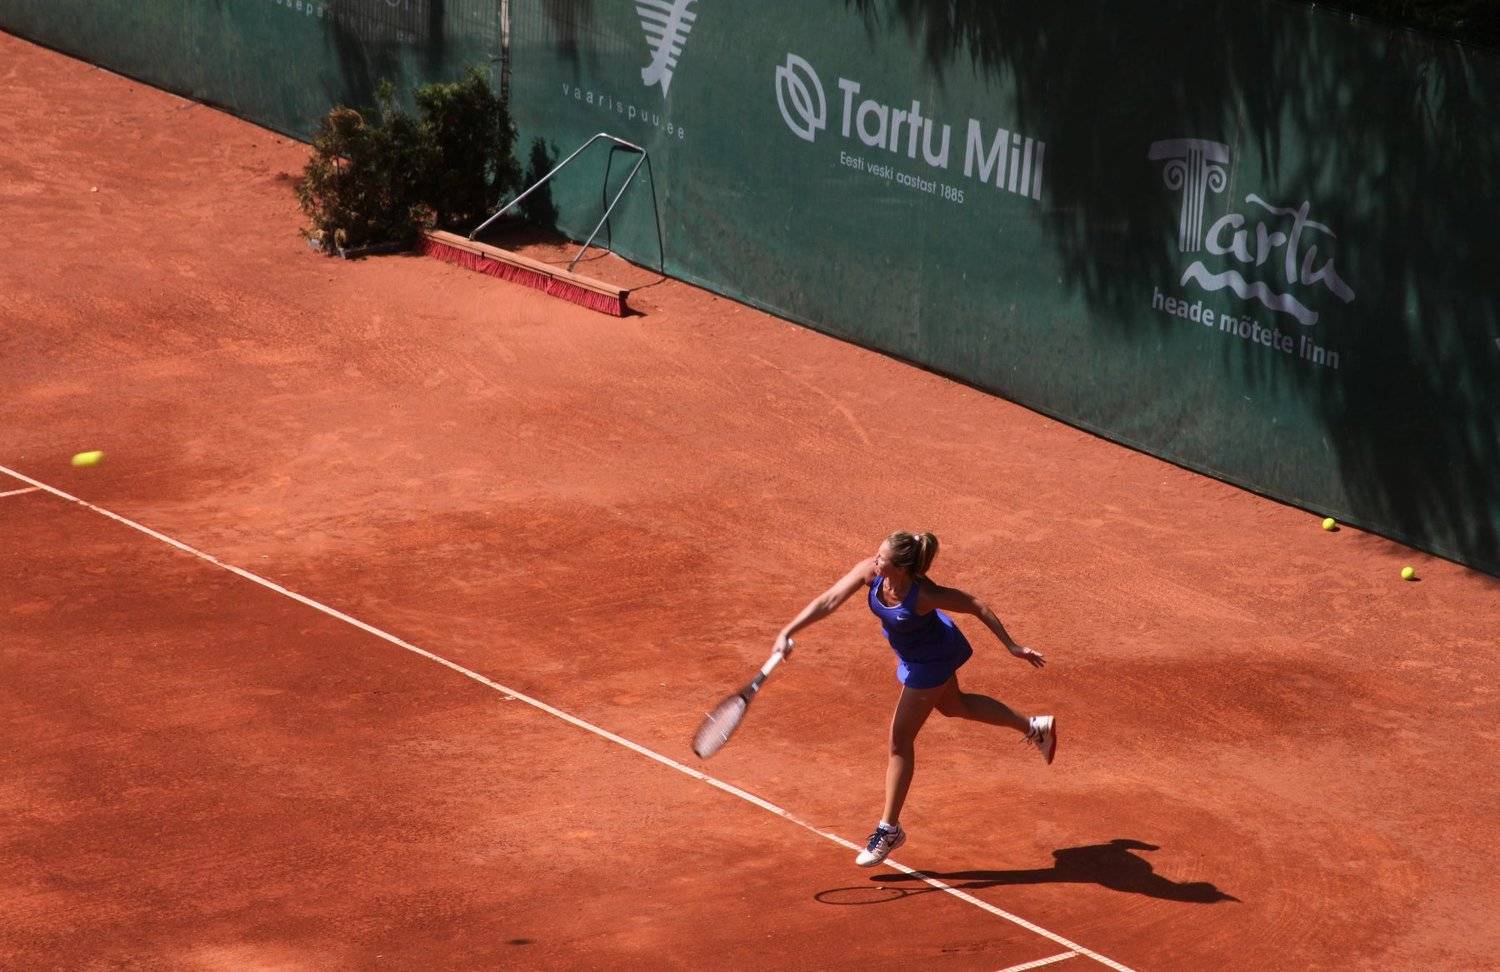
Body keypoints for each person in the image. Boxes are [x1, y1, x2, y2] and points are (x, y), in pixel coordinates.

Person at [773, 530, 1055, 867]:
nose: (875, 560)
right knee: (955, 705)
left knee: (900, 741)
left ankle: (889, 829)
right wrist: (787, 631)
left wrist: (1012, 646)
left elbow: (975, 604)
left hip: (931, 659)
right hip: (915, 654)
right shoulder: (872, 573)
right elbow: (829, 600)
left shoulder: (924, 594)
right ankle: (1034, 727)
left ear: (902, 568)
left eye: (882, 558)